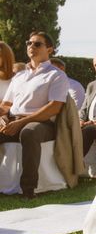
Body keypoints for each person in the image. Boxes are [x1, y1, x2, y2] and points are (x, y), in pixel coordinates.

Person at [0, 32, 69, 198]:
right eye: (29, 43)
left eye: (37, 44)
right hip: (13, 120)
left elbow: (54, 107)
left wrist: (23, 122)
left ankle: (28, 190)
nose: (31, 46)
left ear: (50, 49)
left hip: (42, 123)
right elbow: (6, 104)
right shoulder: (20, 76)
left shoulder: (56, 75)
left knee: (29, 132)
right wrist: (2, 118)